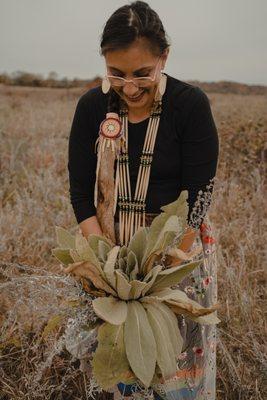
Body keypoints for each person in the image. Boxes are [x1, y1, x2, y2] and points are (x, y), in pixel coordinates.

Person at [68, 1, 219, 399]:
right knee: (117, 366)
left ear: (164, 56)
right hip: (108, 255)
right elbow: (82, 195)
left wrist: (160, 273)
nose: (130, 87)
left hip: (176, 259)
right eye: (116, 74)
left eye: (142, 73)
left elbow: (198, 201)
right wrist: (106, 269)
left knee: (172, 368)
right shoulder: (91, 108)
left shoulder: (189, 106)